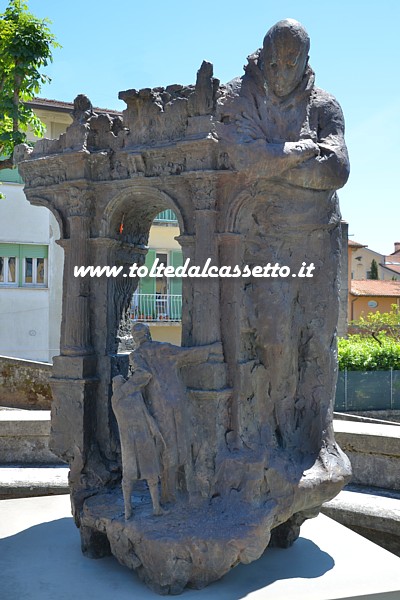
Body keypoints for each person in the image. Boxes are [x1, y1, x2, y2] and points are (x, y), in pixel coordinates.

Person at [130, 323, 222, 502]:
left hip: (159, 404)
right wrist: (212, 350)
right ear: (148, 335)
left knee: (166, 445)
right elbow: (188, 355)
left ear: (135, 338)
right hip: (178, 398)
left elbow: (142, 377)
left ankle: (169, 493)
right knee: (184, 441)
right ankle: (190, 488)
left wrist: (125, 391)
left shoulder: (137, 355)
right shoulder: (164, 348)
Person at [112, 368, 166, 519]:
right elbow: (145, 376)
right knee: (151, 474)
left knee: (130, 477)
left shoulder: (117, 402)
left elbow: (146, 416)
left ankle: (129, 509)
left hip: (130, 443)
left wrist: (155, 431)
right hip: (142, 440)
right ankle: (155, 507)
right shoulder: (129, 396)